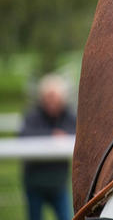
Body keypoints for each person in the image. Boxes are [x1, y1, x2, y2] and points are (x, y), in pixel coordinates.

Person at [19, 74, 76, 220]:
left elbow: (77, 133)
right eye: (48, 96)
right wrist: (52, 136)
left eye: (54, 96)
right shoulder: (32, 116)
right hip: (35, 182)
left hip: (58, 183)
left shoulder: (68, 115)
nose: (51, 101)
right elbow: (24, 136)